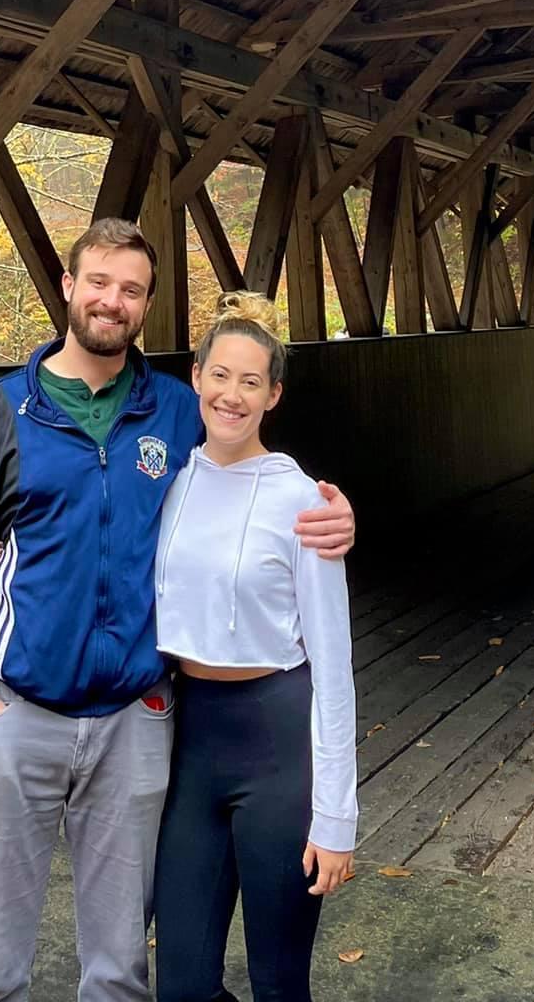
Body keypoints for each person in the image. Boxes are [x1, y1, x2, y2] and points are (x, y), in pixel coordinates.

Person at [0, 219, 355, 1002]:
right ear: (67, 286)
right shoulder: (1, 411)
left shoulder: (174, 412)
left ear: (147, 305)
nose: (111, 301)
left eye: (130, 289)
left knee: (121, 969)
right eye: (98, 282)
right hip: (18, 712)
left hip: (134, 720)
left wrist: (334, 513)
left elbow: (248, 463)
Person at [151, 292, 357, 1002]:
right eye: (219, 376)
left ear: (272, 395)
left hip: (277, 747)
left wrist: (337, 817)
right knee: (181, 984)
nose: (230, 396)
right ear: (195, 376)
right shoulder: (169, 482)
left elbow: (333, 669)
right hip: (190, 739)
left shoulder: (303, 501)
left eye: (250, 382)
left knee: (278, 981)